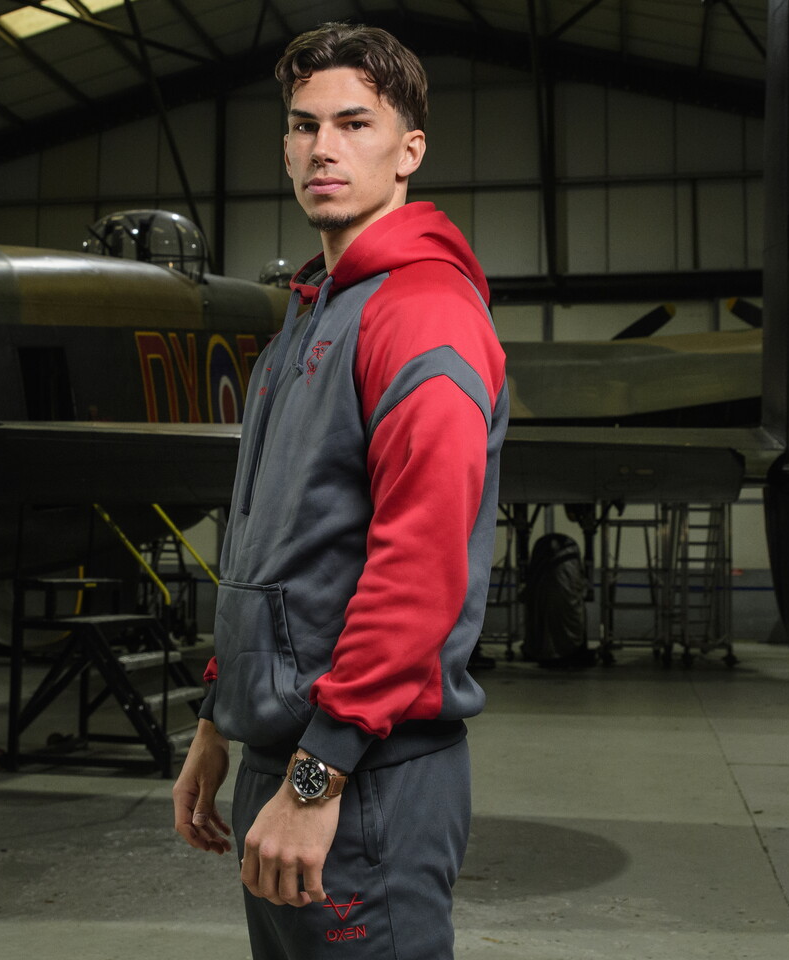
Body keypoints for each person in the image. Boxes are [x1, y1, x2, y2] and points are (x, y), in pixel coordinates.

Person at [173, 22, 508, 959]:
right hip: (292, 757)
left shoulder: (421, 312)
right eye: (303, 124)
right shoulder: (314, 315)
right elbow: (270, 542)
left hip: (363, 775)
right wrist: (216, 717)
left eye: (355, 123)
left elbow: (421, 564)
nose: (323, 146)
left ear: (409, 151)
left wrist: (318, 782)